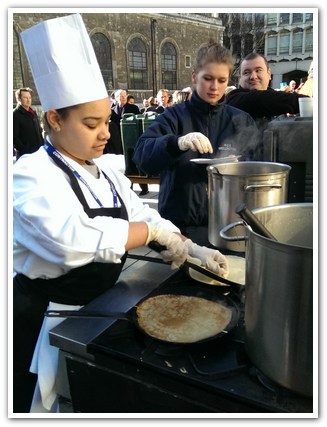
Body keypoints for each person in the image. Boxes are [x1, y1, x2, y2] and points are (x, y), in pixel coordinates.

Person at [13, 15, 229, 413]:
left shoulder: (106, 171)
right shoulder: (30, 174)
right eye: (91, 124)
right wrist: (148, 233)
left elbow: (142, 216)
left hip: (98, 307)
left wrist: (191, 247)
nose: (105, 133)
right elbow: (67, 238)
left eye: (105, 122)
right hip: (47, 319)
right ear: (54, 119)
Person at [132, 41, 260, 244]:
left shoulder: (240, 121)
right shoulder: (173, 117)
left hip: (228, 226)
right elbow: (141, 157)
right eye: (208, 78)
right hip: (180, 228)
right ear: (194, 76)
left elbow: (256, 169)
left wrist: (241, 166)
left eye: (221, 80)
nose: (214, 87)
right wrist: (176, 143)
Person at [225, 53, 305, 123]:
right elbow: (259, 99)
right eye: (246, 72)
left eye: (258, 70)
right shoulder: (234, 99)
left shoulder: (275, 99)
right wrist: (305, 102)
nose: (253, 76)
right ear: (240, 79)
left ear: (269, 74)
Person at [13, 87, 44, 159]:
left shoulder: (33, 113)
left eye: (29, 97)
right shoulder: (15, 114)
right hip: (25, 155)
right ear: (19, 99)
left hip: (39, 152)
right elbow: (14, 137)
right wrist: (24, 149)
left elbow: (39, 131)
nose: (28, 100)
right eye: (25, 98)